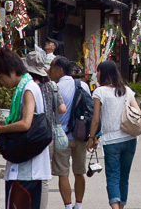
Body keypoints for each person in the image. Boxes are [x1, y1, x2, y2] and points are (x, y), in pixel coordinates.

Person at [0, 48, 51, 208]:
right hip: (25, 166)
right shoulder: (26, 86)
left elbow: (25, 123)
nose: (1, 82)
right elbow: (23, 120)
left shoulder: (28, 89)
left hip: (28, 169)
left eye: (0, 77)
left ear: (11, 70)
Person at [87, 61, 140, 209]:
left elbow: (96, 119)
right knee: (124, 177)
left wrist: (92, 138)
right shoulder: (126, 90)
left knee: (112, 176)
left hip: (111, 141)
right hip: (130, 138)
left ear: (103, 73)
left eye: (97, 71)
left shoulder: (99, 92)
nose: (96, 74)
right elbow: (137, 111)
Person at [22, 51, 67, 209]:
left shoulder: (29, 87)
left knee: (30, 173)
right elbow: (62, 108)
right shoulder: (52, 86)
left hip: (32, 133)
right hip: (50, 134)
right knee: (44, 176)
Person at [50, 56, 91, 209]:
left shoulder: (54, 87)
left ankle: (68, 206)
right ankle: (78, 205)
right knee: (79, 172)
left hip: (61, 136)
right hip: (80, 135)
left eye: (52, 69)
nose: (50, 73)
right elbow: (90, 110)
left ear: (59, 70)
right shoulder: (83, 85)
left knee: (63, 173)